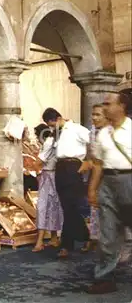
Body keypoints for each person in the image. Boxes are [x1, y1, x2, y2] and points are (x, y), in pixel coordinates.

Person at [87, 91, 132, 294]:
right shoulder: (103, 133)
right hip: (108, 182)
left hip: (129, 179)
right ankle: (104, 277)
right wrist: (92, 189)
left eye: (108, 103)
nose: (104, 107)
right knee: (108, 233)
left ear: (122, 106)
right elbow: (97, 163)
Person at [42, 108, 90, 258]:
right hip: (60, 168)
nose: (51, 127)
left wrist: (87, 161)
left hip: (73, 165)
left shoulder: (76, 129)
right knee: (66, 207)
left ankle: (66, 245)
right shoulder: (56, 134)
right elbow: (48, 152)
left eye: (51, 123)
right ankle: (86, 237)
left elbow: (93, 143)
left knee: (72, 205)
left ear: (59, 118)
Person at [32, 123, 63, 252]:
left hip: (48, 176)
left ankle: (39, 241)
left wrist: (36, 172)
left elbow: (38, 163)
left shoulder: (48, 143)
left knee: (43, 207)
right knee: (54, 206)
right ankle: (54, 237)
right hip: (56, 176)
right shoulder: (59, 143)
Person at [83, 104, 108, 252]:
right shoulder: (92, 132)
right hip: (97, 173)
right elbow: (90, 153)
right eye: (93, 114)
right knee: (95, 207)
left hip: (112, 175)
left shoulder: (113, 132)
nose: (94, 117)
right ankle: (95, 238)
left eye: (98, 115)